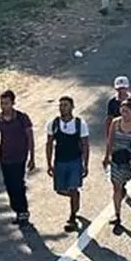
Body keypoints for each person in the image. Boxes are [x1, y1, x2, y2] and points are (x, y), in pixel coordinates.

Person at [0, 90, 34, 224]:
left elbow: (30, 137)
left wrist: (32, 157)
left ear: (13, 103)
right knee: (9, 185)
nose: (3, 106)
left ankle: (23, 212)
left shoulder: (22, 118)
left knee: (18, 184)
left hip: (20, 156)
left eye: (6, 103)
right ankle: (17, 210)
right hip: (5, 157)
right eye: (2, 103)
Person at [46, 97, 90, 232]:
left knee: (72, 188)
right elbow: (49, 144)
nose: (62, 108)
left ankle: (72, 216)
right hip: (60, 161)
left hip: (75, 162)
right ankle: (75, 198)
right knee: (60, 190)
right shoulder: (53, 124)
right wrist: (49, 164)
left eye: (65, 105)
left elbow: (85, 145)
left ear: (72, 107)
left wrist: (85, 164)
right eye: (61, 105)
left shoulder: (80, 124)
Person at [102, 98, 131, 225]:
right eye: (122, 111)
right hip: (117, 160)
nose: (124, 114)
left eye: (126, 111)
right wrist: (107, 156)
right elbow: (110, 141)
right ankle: (117, 216)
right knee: (116, 188)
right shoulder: (115, 122)